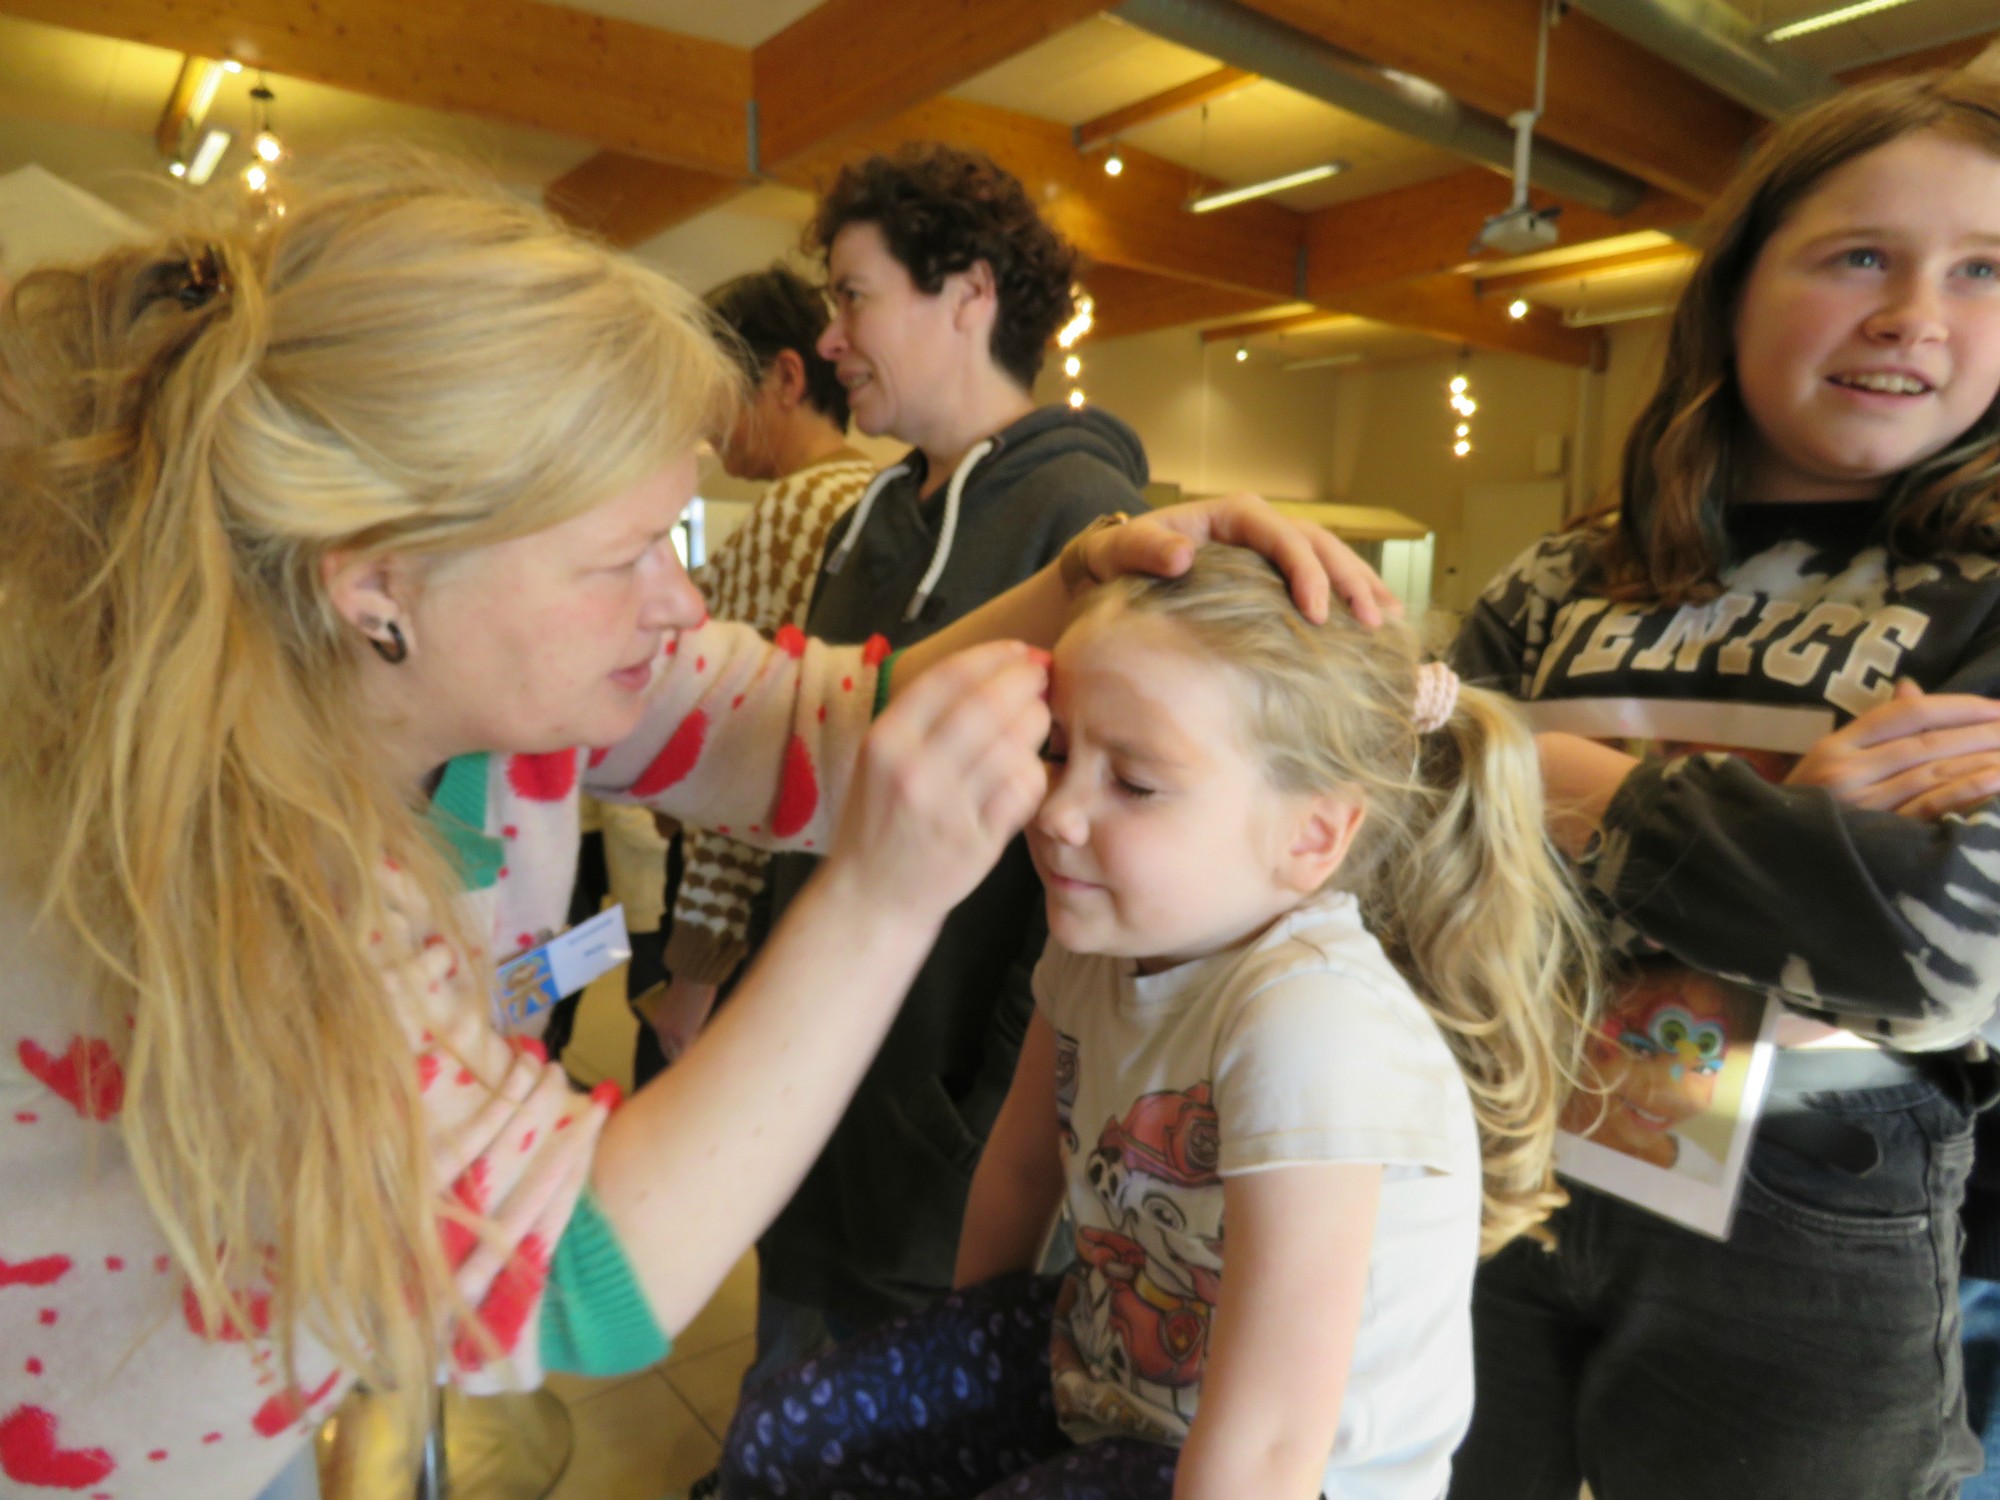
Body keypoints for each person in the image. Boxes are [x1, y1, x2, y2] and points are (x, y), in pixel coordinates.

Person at [0, 154, 1387, 1500]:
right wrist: (881, 900)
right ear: (379, 584)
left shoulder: (504, 683)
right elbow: (589, 1275)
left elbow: (816, 725)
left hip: (254, 1405)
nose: (679, 606)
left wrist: (1075, 577)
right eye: (622, 564)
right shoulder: (213, 849)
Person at [708, 545, 1597, 1500]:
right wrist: (961, 1353)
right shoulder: (1095, 941)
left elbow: (1268, 1450)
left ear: (1312, 835)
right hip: (1125, 1393)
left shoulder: (1311, 1024)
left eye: (1132, 783)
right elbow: (1020, 1160)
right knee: (784, 1438)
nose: (1057, 811)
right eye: (1057, 752)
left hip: (1286, 1474)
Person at [1447, 67, 2000, 1500]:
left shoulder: (1983, 599)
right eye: (1861, 255)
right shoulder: (1562, 576)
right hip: (1498, 1157)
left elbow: (1934, 950)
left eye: (1984, 269)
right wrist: (1789, 825)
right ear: (1739, 284)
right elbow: (1397, 834)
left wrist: (1563, 778)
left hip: (1808, 1219)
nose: (1915, 315)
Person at [750, 143, 1150, 1378]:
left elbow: (1093, 855)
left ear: (968, 295)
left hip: (936, 1143)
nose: (828, 339)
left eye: (853, 295)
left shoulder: (1079, 520)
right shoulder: (872, 510)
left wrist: (974, 1125)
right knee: (789, 1404)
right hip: (811, 1083)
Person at [637, 264, 878, 1077]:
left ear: (784, 375)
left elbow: (747, 748)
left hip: (741, 918)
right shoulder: (880, 491)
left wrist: (692, 973)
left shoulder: (789, 512)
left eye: (717, 406)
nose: (712, 435)